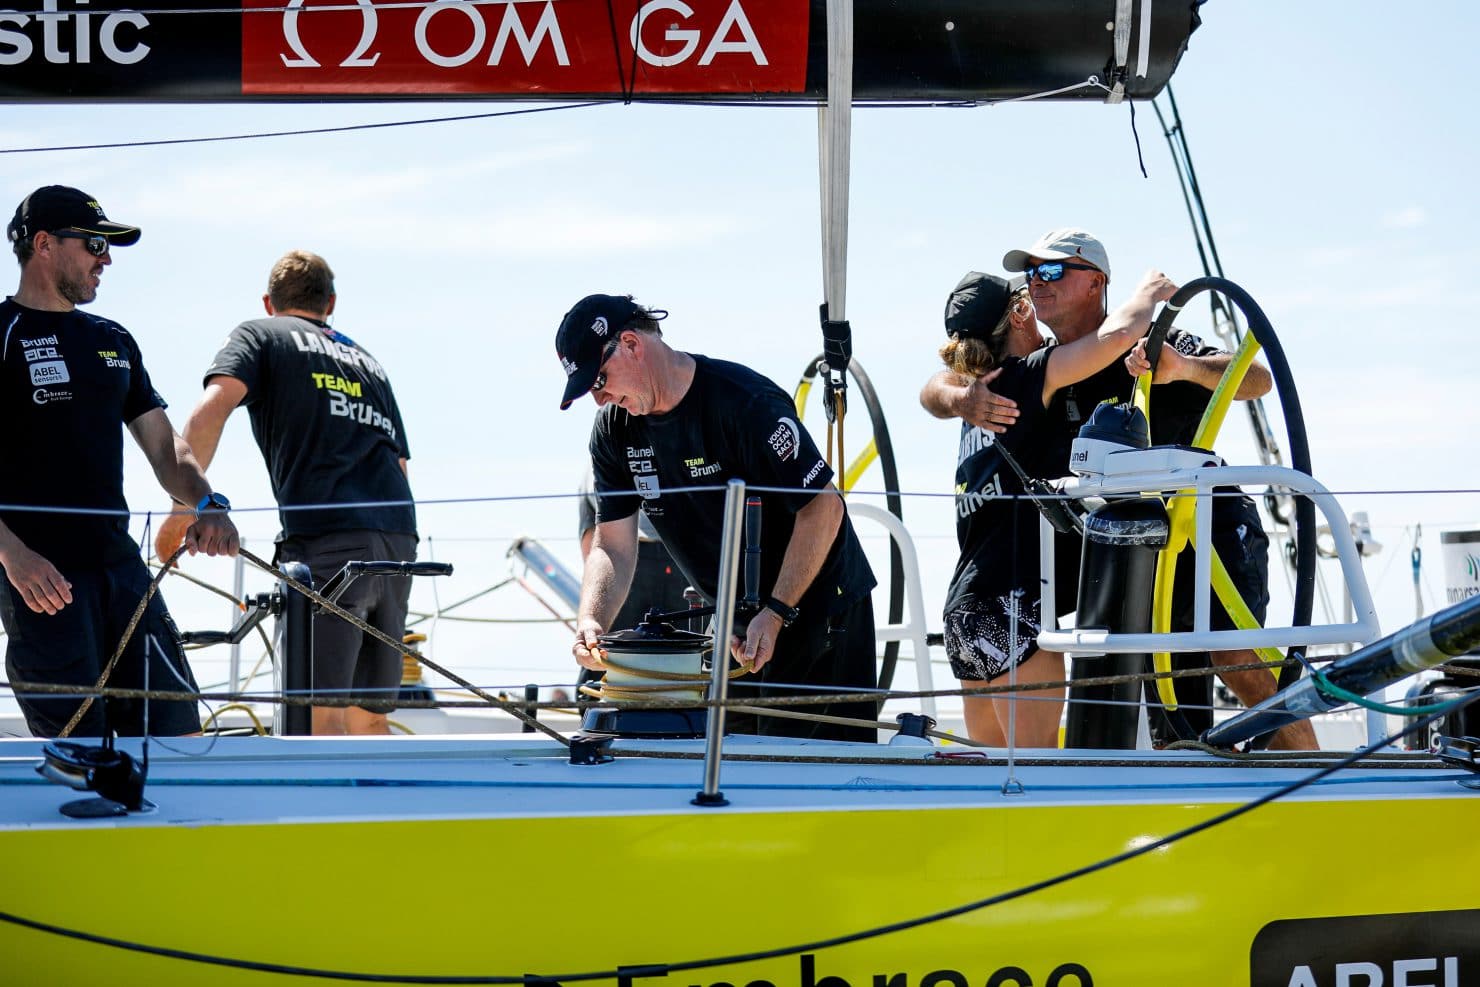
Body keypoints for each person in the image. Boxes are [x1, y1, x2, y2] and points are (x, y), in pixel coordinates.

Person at [927, 228, 1315, 749]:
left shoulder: (1152, 337)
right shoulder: (1042, 369)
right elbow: (938, 383)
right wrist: (958, 400)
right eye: (1031, 275)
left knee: (1236, 659)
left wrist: (1183, 368)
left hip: (1207, 535)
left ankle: (1315, 772)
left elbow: (1256, 379)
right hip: (1129, 549)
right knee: (1160, 704)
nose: (1037, 284)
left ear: (1095, 282)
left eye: (1052, 272)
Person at [555, 293, 878, 742]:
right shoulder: (614, 431)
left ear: (630, 344)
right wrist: (592, 619)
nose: (600, 398)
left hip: (818, 609)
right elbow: (613, 544)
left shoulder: (745, 403)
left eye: (600, 380)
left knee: (801, 773)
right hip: (733, 624)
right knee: (727, 766)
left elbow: (823, 507)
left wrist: (777, 611)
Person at [0, 185, 238, 738]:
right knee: (80, 750)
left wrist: (206, 500)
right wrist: (13, 558)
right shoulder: (2, 334)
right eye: (94, 244)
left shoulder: (114, 340)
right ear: (44, 245)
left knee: (178, 733)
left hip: (121, 571)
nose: (106, 260)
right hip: (43, 582)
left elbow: (166, 447)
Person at [154, 250, 417, 736]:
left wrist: (181, 509)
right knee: (370, 718)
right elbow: (398, 462)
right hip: (400, 540)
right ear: (330, 302)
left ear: (268, 301)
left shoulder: (260, 333)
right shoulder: (369, 362)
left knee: (319, 719)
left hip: (329, 541)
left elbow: (209, 413)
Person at [929, 268, 1176, 746]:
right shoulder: (1021, 379)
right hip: (1012, 605)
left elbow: (933, 390)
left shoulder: (972, 401)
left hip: (964, 608)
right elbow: (1119, 335)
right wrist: (1149, 292)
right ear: (1021, 312)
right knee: (1037, 775)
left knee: (996, 783)